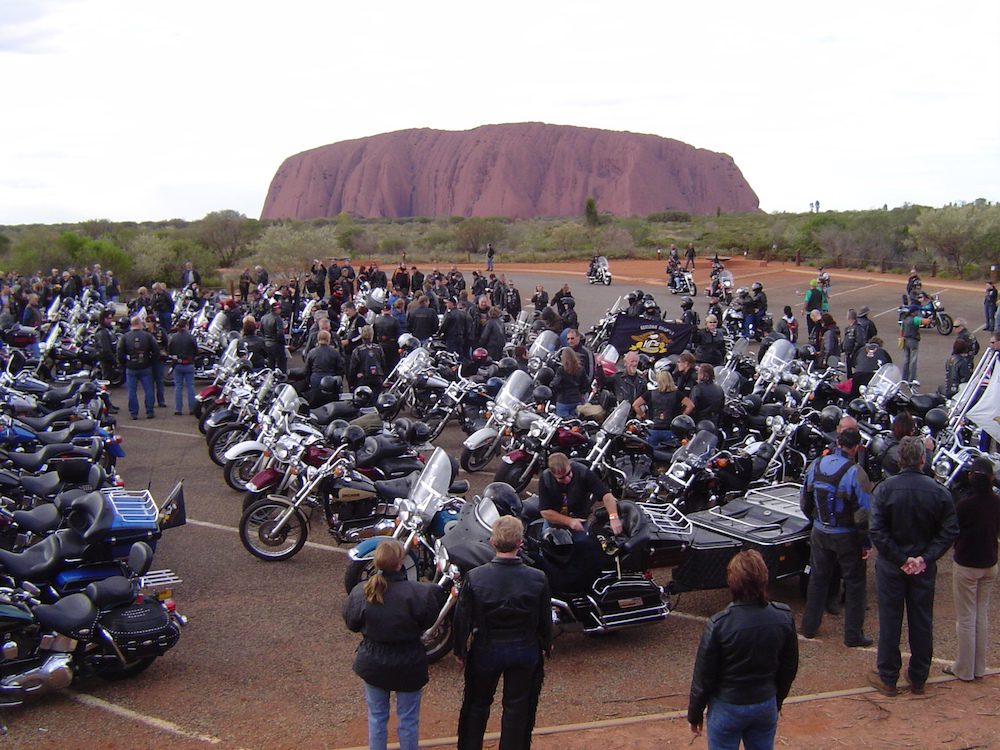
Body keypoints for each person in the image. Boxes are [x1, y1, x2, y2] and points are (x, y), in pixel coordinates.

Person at [867, 436, 959, 696]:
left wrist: (902, 559)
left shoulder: (885, 489)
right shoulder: (938, 491)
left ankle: (888, 677)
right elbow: (949, 530)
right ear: (922, 459)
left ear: (899, 459)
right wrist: (923, 558)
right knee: (921, 621)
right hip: (920, 566)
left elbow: (877, 530)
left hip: (893, 566)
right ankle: (918, 677)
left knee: (890, 621)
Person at [454, 515, 552, 750]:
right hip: (525, 648)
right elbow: (544, 617)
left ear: (492, 542)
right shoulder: (537, 578)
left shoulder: (476, 577)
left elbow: (462, 618)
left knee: (476, 706)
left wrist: (460, 650)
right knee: (518, 708)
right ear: (520, 543)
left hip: (486, 648)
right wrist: (547, 643)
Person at [687, 550, 799, 749]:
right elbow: (789, 667)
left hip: (727, 706)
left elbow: (704, 678)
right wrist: (777, 700)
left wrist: (695, 714)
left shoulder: (720, 624)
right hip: (765, 702)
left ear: (733, 582)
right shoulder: (783, 617)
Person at [343, 539, 441, 750]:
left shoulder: (362, 592)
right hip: (409, 662)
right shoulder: (420, 593)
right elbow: (430, 621)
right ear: (400, 563)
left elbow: (352, 623)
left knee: (377, 718)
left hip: (374, 662)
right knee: (408, 721)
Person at [799, 428, 873, 647]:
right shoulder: (856, 472)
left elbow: (805, 500)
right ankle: (853, 635)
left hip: (821, 531)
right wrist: (865, 542)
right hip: (846, 535)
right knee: (855, 583)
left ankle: (809, 627)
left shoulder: (816, 465)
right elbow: (863, 514)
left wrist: (817, 523)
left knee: (818, 579)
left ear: (837, 442)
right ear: (857, 448)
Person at [946, 457, 999, 682]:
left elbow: (952, 531)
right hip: (989, 562)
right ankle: (978, 667)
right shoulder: (997, 503)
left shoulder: (964, 506)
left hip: (967, 563)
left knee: (966, 617)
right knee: (981, 614)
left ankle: (965, 668)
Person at [539, 452, 623, 537]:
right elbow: (545, 511)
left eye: (568, 474)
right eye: (561, 478)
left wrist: (613, 517)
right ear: (553, 474)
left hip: (580, 520)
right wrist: (569, 521)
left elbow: (606, 494)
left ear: (569, 465)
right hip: (555, 522)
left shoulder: (583, 472)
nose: (567, 479)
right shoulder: (546, 479)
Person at [117, 315, 159, 420]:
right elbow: (156, 351)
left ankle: (134, 413)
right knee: (149, 389)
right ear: (140, 324)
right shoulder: (148, 336)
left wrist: (124, 363)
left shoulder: (125, 337)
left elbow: (120, 352)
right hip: (145, 365)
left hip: (131, 366)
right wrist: (151, 361)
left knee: (132, 391)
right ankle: (149, 411)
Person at [632, 369, 682, 447]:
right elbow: (690, 405)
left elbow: (635, 404)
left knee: (651, 454)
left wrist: (643, 415)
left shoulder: (650, 393)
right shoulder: (677, 394)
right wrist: (682, 416)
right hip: (670, 429)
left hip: (653, 429)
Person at [550, 347, 586, 419]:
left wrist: (558, 392)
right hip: (576, 400)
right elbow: (586, 384)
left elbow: (555, 384)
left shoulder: (561, 370)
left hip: (563, 401)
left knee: (561, 424)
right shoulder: (580, 369)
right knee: (574, 422)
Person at [348, 326, 385, 394]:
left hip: (363, 379)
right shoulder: (378, 348)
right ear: (372, 335)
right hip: (377, 378)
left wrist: (351, 383)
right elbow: (383, 364)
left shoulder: (358, 350)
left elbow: (353, 368)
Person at [899, 303, 926, 382]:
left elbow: (901, 330)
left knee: (906, 359)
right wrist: (930, 320)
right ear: (914, 312)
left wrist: (901, 339)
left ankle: (904, 377)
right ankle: (912, 379)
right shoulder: (915, 319)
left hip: (905, 339)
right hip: (913, 340)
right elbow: (925, 321)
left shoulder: (905, 319)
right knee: (913, 360)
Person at [260, 301, 288, 372]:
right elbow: (280, 333)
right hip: (277, 344)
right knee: (281, 364)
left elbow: (261, 330)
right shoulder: (277, 318)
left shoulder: (263, 318)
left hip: (267, 343)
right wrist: (283, 343)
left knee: (270, 364)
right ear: (276, 309)